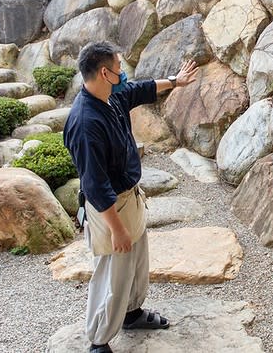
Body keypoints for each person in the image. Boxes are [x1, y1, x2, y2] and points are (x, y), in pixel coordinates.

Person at [63, 41, 198, 353]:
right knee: (112, 274)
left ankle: (132, 313)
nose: (123, 74)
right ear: (104, 72)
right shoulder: (85, 123)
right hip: (110, 208)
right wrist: (116, 228)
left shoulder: (111, 95)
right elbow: (95, 185)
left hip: (129, 197)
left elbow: (139, 89)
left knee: (136, 262)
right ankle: (98, 341)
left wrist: (175, 81)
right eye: (119, 68)